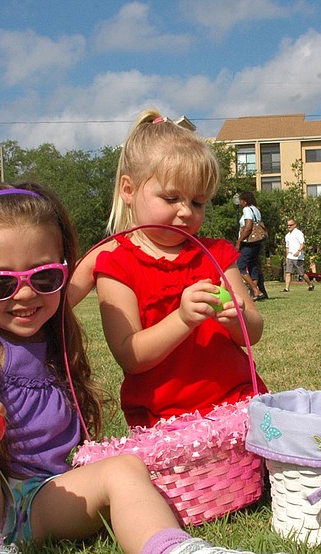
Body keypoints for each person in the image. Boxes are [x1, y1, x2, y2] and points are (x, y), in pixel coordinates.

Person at [0, 183, 302, 554]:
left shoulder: (57, 342)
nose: (26, 294)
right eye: (0, 283)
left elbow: (101, 258)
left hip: (38, 499)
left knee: (123, 470)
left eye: (45, 278)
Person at [87, 109, 269, 429]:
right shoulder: (117, 265)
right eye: (171, 198)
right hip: (164, 421)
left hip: (234, 405)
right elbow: (130, 355)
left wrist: (237, 316)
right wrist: (182, 319)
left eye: (197, 202)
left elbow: (252, 332)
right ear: (128, 191)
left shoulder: (214, 254)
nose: (185, 212)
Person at [236, 190, 266, 300]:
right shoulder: (256, 210)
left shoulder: (247, 209)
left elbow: (248, 226)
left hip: (249, 242)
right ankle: (256, 293)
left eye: (240, 200)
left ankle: (255, 290)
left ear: (244, 201)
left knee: (240, 266)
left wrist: (239, 241)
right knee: (253, 266)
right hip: (257, 241)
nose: (240, 203)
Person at [283, 219, 313, 292]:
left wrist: (298, 251)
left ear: (295, 225)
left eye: (291, 225)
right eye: (288, 225)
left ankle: (310, 285)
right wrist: (287, 257)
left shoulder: (298, 233)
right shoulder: (287, 235)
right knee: (288, 273)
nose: (289, 226)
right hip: (290, 256)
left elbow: (302, 244)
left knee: (302, 273)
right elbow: (287, 247)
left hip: (298, 257)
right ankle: (287, 288)